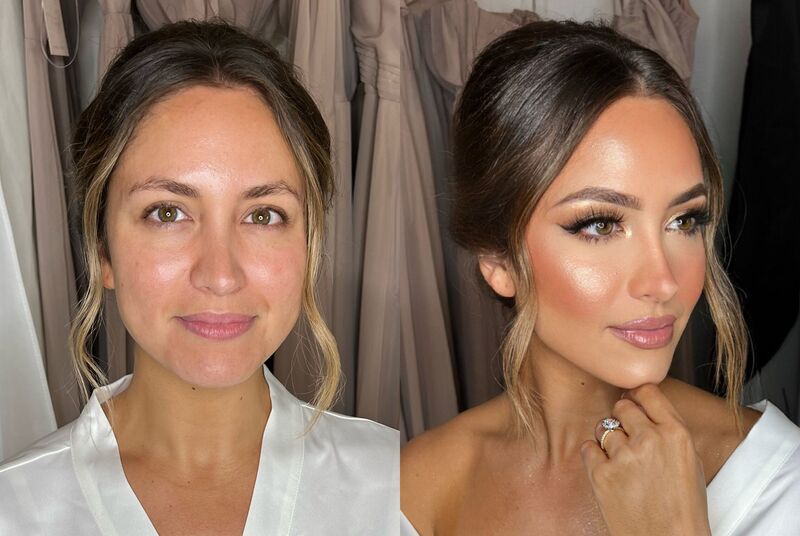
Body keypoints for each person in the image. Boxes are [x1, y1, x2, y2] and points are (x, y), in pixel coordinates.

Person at [401, 20, 800, 535]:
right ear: (498, 260)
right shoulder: (413, 489)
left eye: (684, 221)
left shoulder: (781, 485)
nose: (663, 281)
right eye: (601, 225)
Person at [0, 20, 398, 535]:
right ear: (102, 249)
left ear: (309, 246)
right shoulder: (14, 512)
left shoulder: (400, 491)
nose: (220, 275)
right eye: (167, 213)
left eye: (263, 215)